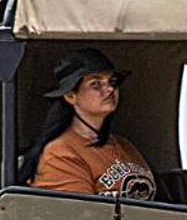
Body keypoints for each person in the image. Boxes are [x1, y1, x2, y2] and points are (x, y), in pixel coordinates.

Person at [19, 48, 157, 199]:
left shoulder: (125, 145)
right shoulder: (60, 154)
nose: (110, 89)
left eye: (113, 82)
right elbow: (81, 216)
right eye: (96, 84)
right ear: (71, 96)